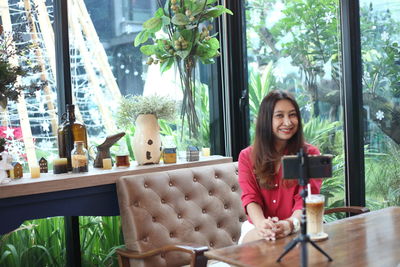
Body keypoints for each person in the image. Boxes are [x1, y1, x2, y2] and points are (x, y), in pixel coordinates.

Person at [238, 90, 322, 243]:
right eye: (279, 116)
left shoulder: (310, 154)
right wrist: (262, 225)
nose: (288, 122)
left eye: (292, 115)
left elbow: (305, 199)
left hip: (298, 225)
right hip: (257, 227)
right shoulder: (246, 157)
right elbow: (251, 198)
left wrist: (290, 224)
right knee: (257, 243)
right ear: (266, 120)